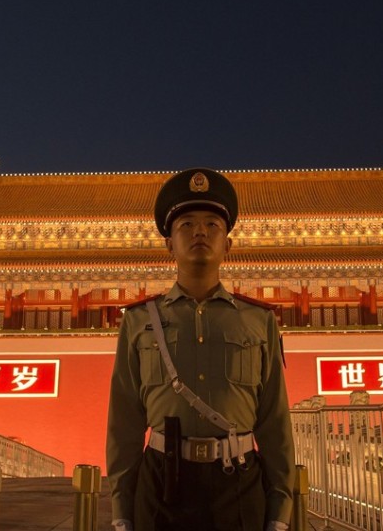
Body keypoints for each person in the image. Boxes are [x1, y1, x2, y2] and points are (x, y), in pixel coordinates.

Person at [106, 168, 295, 531]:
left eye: (212, 225)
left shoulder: (258, 321)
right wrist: (122, 510)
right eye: (187, 224)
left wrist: (279, 511)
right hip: (161, 484)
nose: (200, 232)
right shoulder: (139, 321)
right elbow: (124, 424)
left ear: (228, 244)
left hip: (238, 484)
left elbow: (274, 422)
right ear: (169, 245)